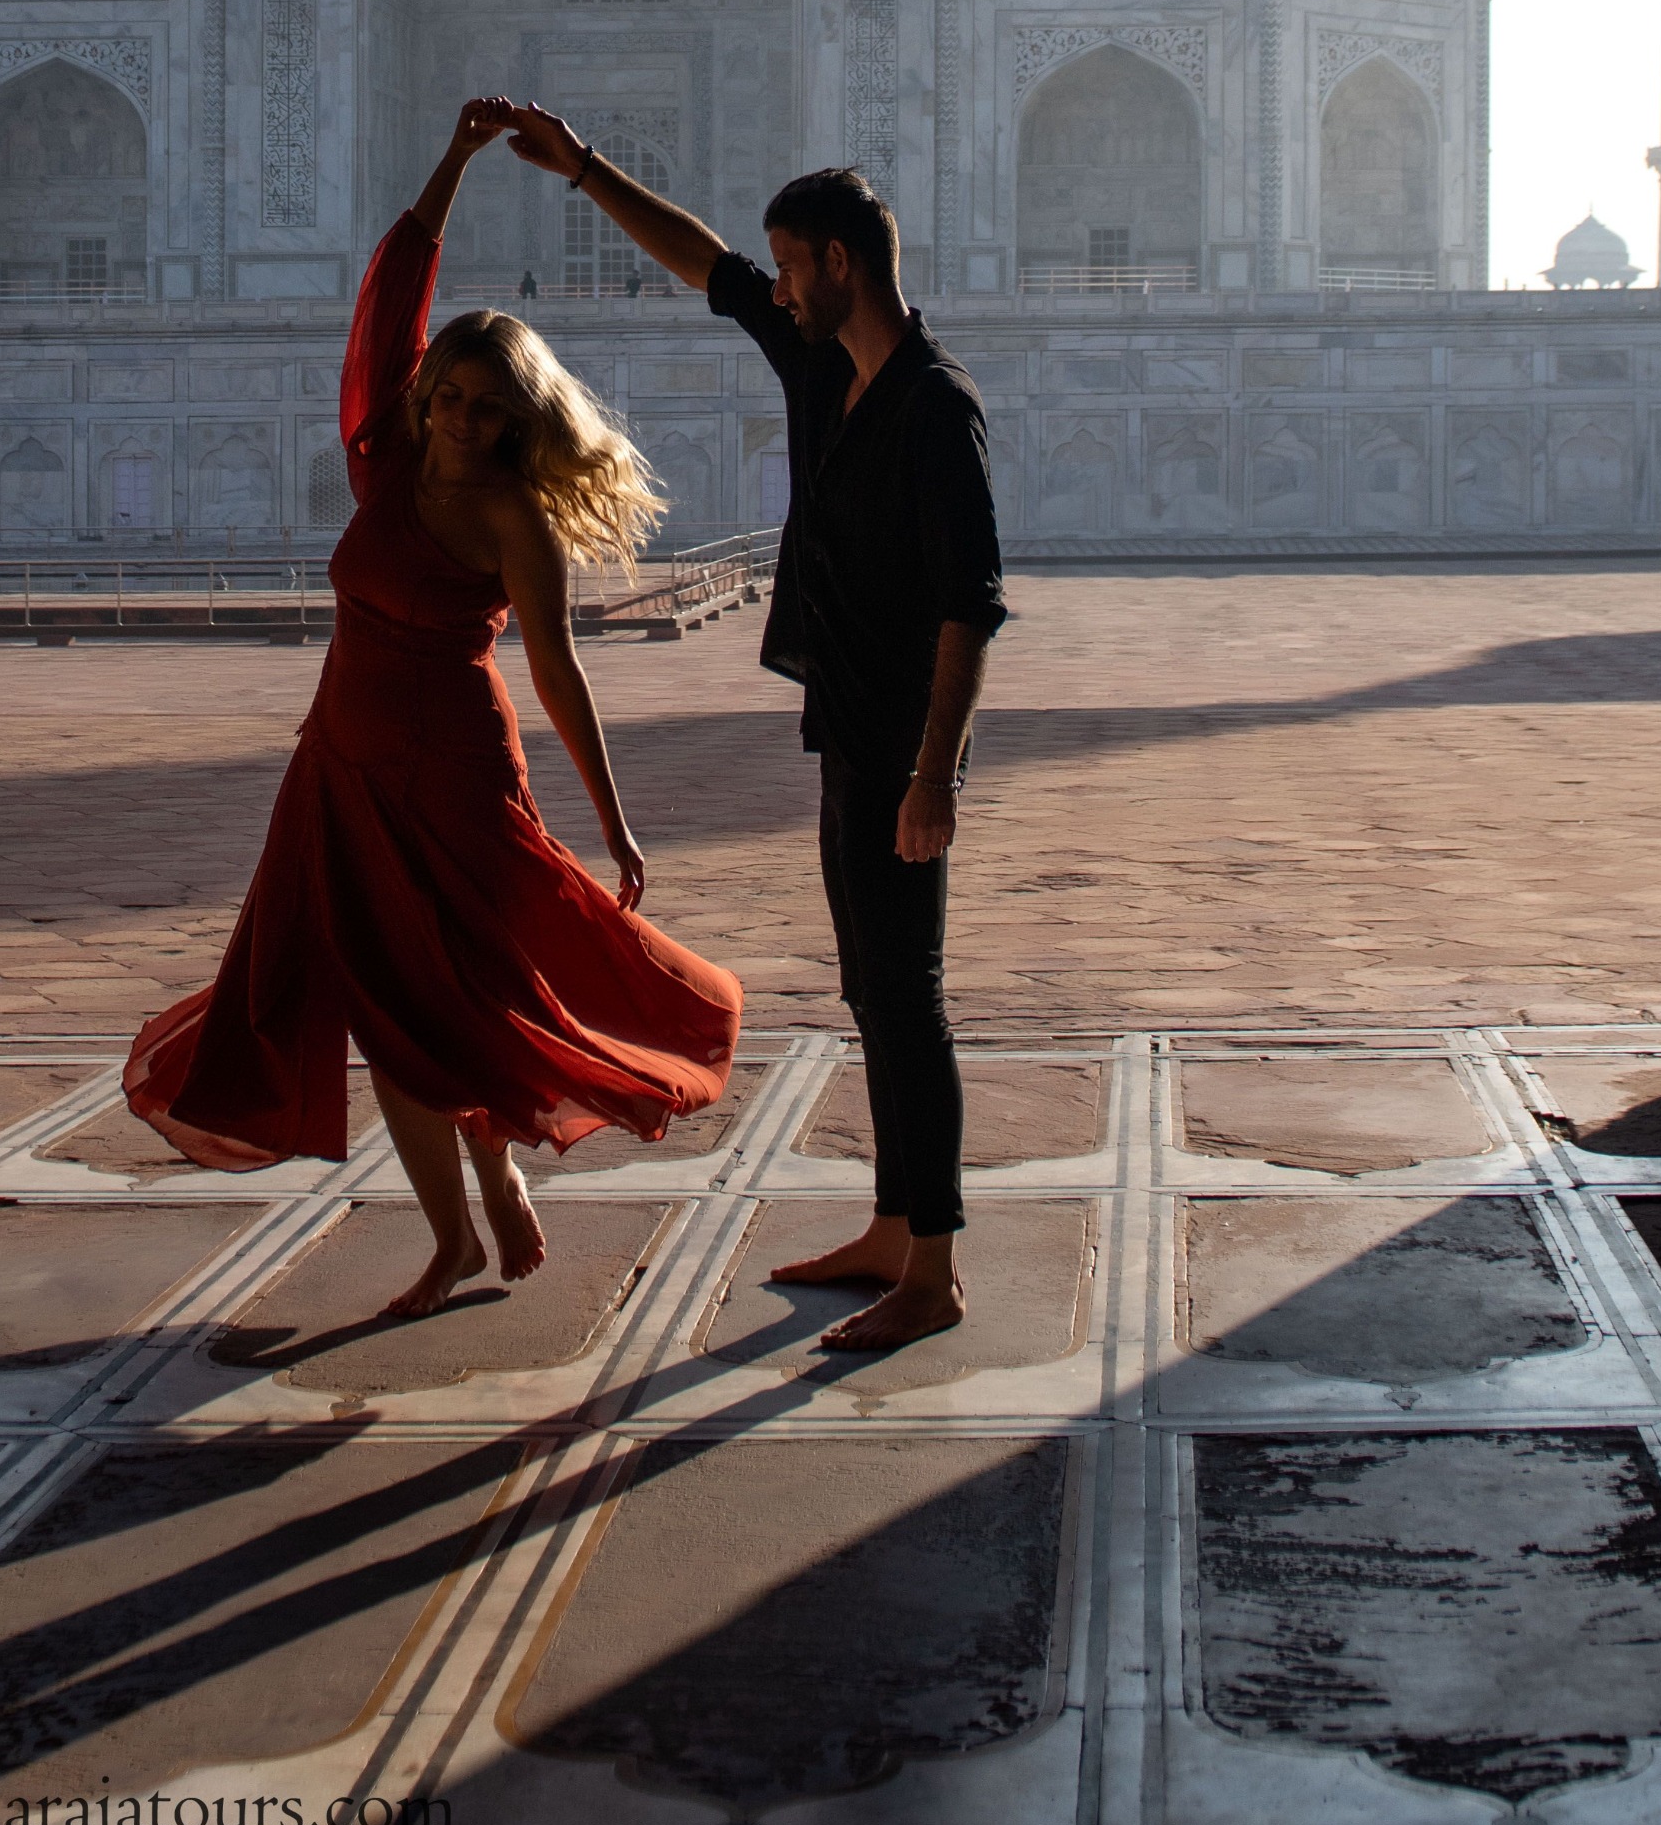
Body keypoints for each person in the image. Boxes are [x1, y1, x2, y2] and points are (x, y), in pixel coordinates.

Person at [123, 99, 742, 1318]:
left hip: (451, 774)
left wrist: (610, 822)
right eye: (448, 395)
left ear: (519, 418)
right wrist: (451, 160)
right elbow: (390, 305)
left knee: (423, 1001)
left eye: (485, 405)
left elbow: (558, 672)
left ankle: (469, 1219)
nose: (460, 416)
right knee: (391, 997)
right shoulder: (385, 463)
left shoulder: (515, 519)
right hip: (339, 767)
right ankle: (484, 1197)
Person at [511, 113, 1002, 1348]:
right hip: (845, 717)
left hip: (902, 740)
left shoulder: (937, 411)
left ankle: (934, 1272)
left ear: (840, 261)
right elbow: (706, 264)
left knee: (911, 995)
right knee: (875, 990)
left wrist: (935, 776)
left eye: (792, 265)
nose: (775, 285)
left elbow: (969, 607)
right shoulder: (823, 365)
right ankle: (896, 1227)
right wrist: (582, 170)